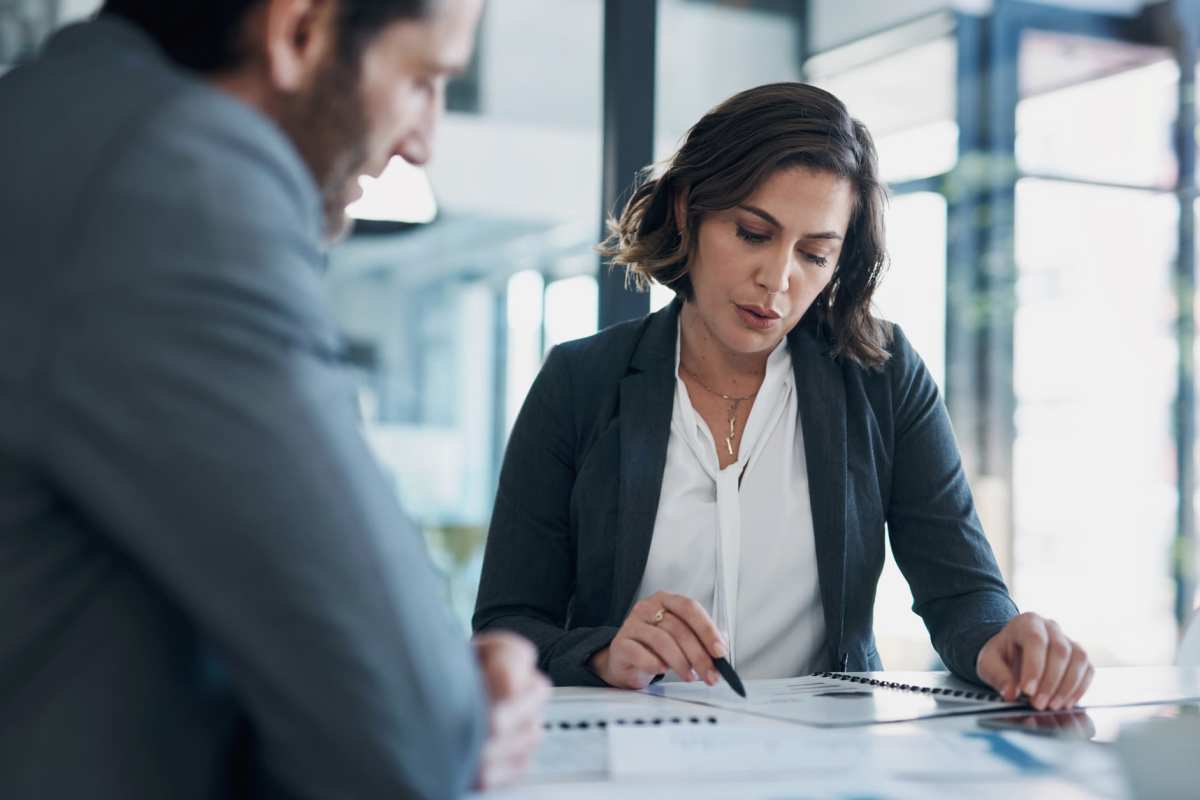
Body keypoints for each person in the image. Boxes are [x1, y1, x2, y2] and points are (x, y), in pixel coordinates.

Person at [0, 1, 548, 798]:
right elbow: (407, 744)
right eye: (424, 80)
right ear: (300, 32)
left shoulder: (51, 124)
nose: (423, 142)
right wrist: (444, 702)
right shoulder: (170, 177)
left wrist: (415, 682)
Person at [473, 82, 1093, 711]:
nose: (777, 279)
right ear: (690, 210)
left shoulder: (883, 375)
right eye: (751, 233)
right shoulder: (579, 382)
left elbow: (963, 593)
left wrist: (1002, 640)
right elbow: (508, 623)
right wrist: (606, 653)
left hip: (822, 759)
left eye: (815, 254)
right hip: (632, 754)